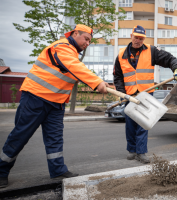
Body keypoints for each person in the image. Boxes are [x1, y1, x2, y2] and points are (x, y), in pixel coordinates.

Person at [0, 24, 109, 188]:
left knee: (55, 139)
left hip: (56, 103)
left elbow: (74, 71)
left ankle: (57, 170)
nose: (87, 43)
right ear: (75, 33)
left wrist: (100, 83)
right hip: (36, 97)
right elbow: (75, 67)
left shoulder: (72, 54)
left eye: (89, 41)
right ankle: (1, 171)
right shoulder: (62, 47)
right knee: (20, 136)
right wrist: (97, 82)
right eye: (86, 39)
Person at [113, 25, 177, 164]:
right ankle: (132, 150)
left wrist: (176, 68)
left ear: (143, 39)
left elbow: (169, 58)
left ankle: (141, 152)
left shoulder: (151, 51)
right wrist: (122, 94)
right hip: (130, 95)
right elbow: (117, 76)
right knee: (130, 124)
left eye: (141, 38)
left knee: (143, 123)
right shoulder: (121, 54)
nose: (138, 40)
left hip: (145, 94)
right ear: (131, 36)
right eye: (136, 37)